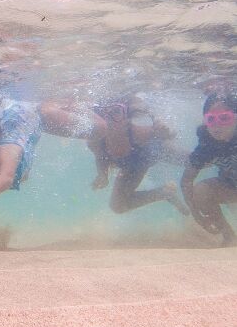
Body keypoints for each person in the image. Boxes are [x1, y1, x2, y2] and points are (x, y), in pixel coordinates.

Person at [85, 95, 189, 215]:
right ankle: (165, 194)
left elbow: (168, 134)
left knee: (194, 160)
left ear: (126, 118)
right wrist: (102, 175)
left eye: (116, 112)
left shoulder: (139, 132)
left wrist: (167, 132)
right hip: (133, 166)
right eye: (102, 114)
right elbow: (100, 157)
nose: (109, 120)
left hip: (155, 150)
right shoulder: (95, 140)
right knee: (118, 206)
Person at [180, 90, 237, 244]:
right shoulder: (208, 144)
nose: (217, 126)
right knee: (201, 191)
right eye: (211, 119)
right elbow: (186, 180)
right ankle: (229, 237)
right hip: (231, 186)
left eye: (225, 118)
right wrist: (196, 215)